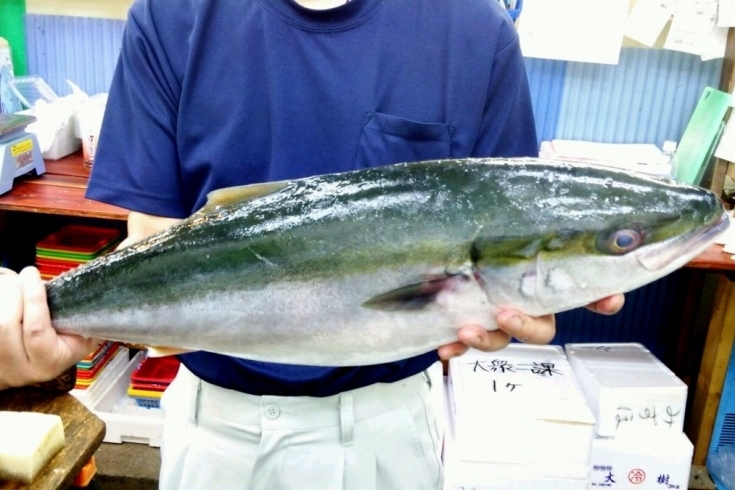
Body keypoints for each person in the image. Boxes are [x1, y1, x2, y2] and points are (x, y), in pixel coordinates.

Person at [0, 0, 625, 488]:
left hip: (387, 431)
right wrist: (53, 325)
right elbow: (158, 242)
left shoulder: (477, 31)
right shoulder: (173, 15)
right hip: (214, 427)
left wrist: (495, 315)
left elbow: (502, 224)